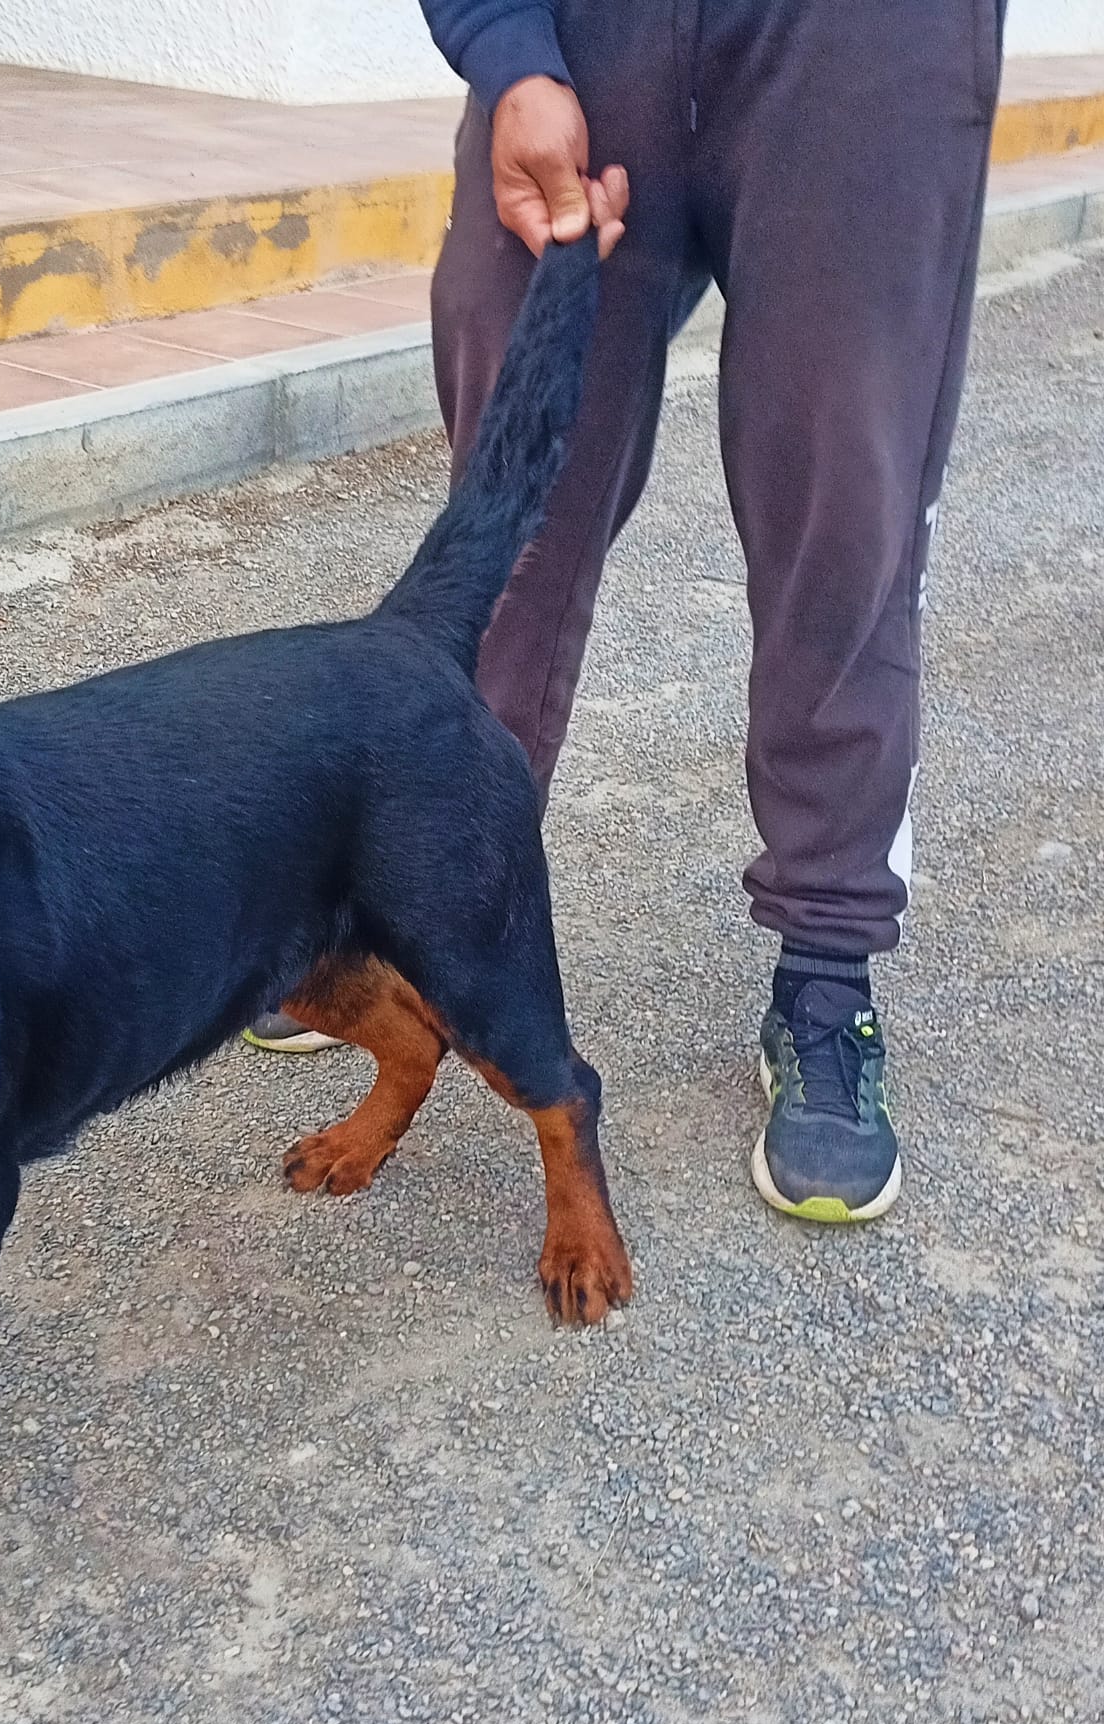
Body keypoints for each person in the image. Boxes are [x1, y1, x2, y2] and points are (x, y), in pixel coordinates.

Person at [246, 0, 1005, 1224]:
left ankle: (824, 972)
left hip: (863, 51)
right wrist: (505, 53)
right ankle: (408, 917)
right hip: (584, 41)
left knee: (842, 531)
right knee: (503, 532)